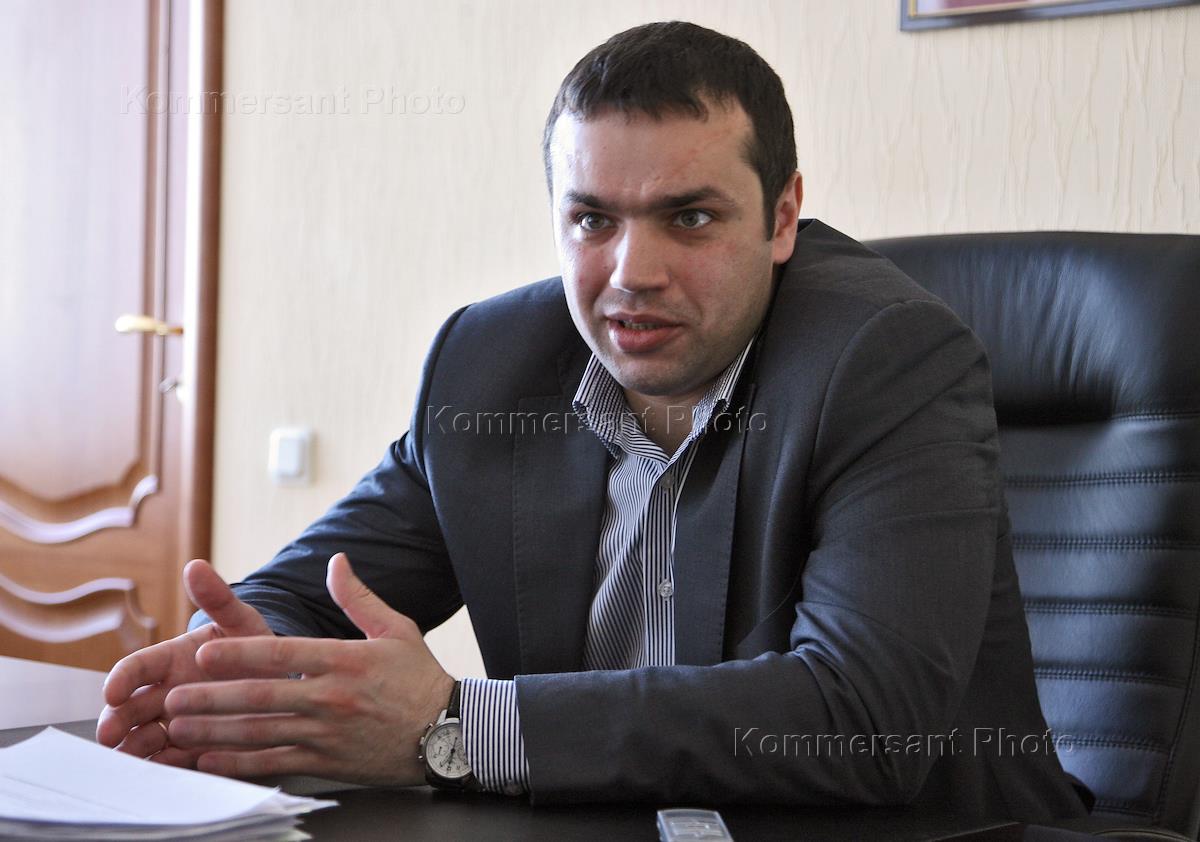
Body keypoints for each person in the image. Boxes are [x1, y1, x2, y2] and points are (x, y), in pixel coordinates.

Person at [98, 21, 1090, 822]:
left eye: (690, 217)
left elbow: (862, 717)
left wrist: (455, 725)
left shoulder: (886, 359)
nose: (631, 272)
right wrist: (241, 673)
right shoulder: (492, 364)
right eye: (592, 219)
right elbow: (308, 590)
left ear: (783, 216)